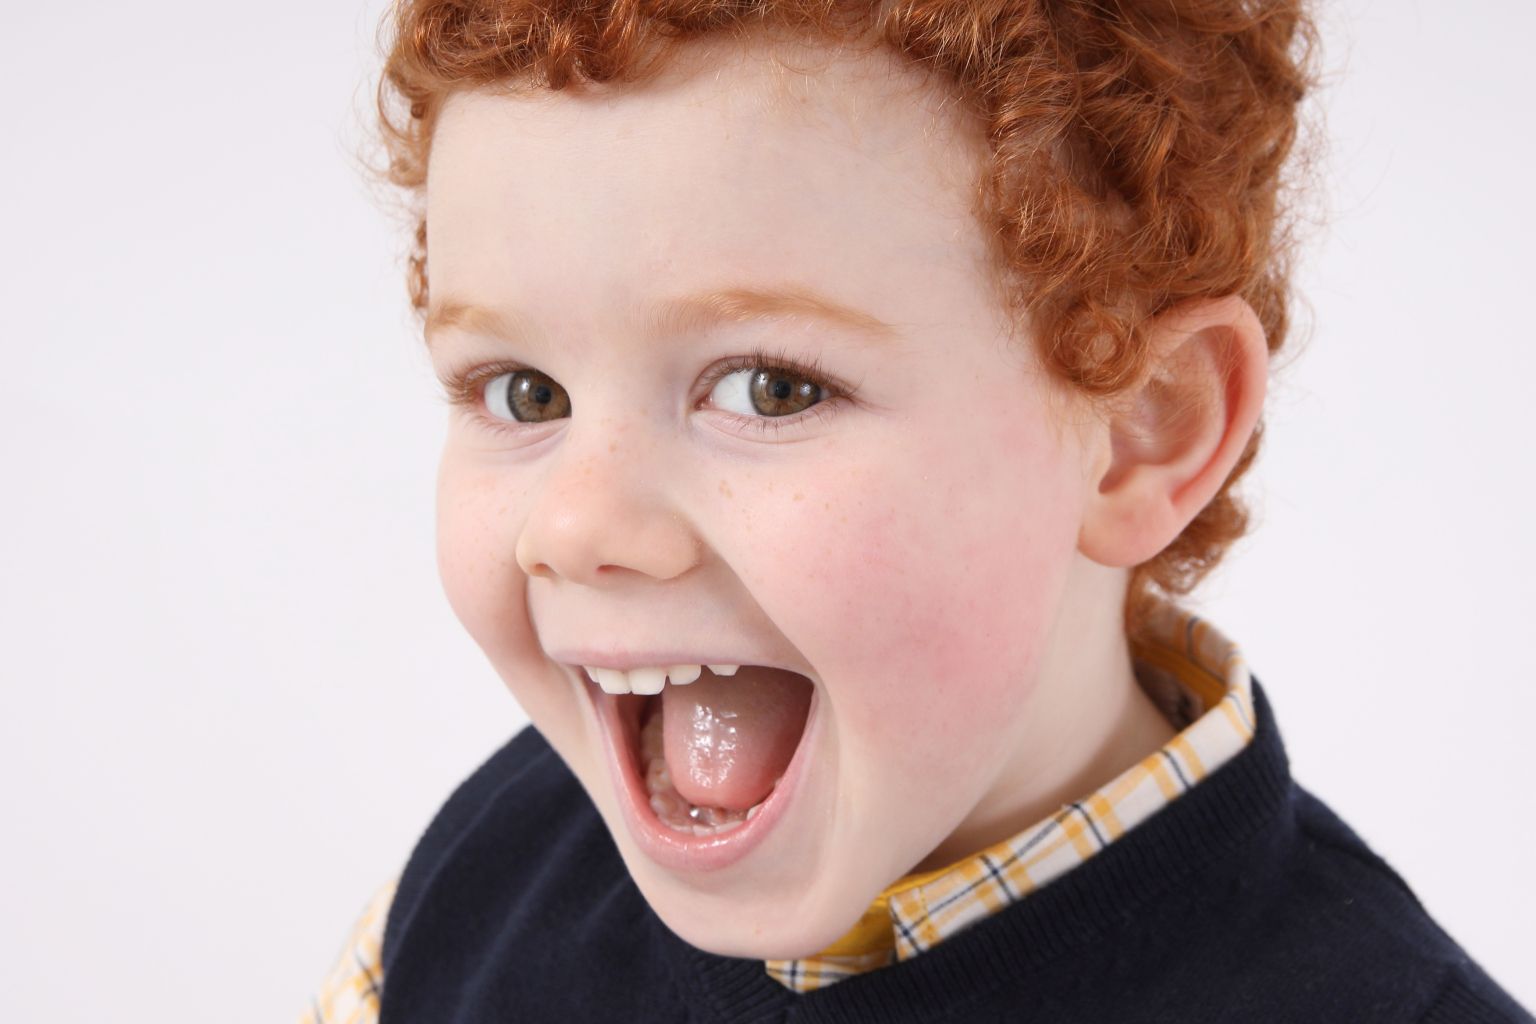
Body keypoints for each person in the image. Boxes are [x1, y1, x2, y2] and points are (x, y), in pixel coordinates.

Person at [304, 1, 1532, 1020]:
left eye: (771, 387)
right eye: (523, 392)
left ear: (1139, 431)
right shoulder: (477, 892)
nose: (576, 527)